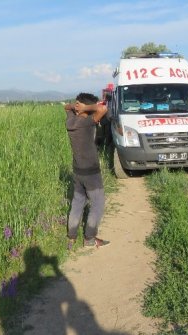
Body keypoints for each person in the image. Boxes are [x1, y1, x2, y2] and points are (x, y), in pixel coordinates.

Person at [63, 93, 110, 248]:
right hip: (91, 172)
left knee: (77, 202)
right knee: (97, 203)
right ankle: (89, 238)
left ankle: (71, 237)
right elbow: (102, 108)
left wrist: (76, 107)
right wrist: (86, 107)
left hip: (77, 170)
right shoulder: (86, 123)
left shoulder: (70, 120)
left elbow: (66, 107)